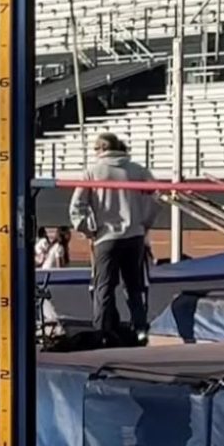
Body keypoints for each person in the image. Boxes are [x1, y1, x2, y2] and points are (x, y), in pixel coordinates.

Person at [69, 132, 159, 346]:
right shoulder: (138, 170)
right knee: (134, 287)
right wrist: (144, 222)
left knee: (104, 287)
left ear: (101, 148)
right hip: (134, 236)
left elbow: (76, 206)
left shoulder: (93, 172)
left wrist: (87, 229)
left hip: (106, 237)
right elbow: (157, 198)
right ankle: (140, 329)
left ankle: (102, 331)